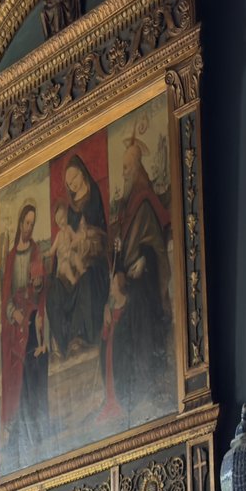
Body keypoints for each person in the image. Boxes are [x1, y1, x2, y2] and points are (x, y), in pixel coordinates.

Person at [104, 129, 175, 425]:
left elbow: (155, 243)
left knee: (135, 318)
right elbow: (120, 249)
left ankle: (142, 382)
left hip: (145, 283)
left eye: (127, 168)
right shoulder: (125, 205)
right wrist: (118, 257)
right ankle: (124, 392)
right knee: (114, 331)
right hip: (129, 281)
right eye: (122, 168)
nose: (123, 173)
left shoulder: (144, 201)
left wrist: (144, 258)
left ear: (137, 169)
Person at [0, 199, 49, 468]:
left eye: (32, 223)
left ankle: (34, 424)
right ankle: (17, 428)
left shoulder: (36, 250)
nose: (29, 227)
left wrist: (38, 286)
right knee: (16, 375)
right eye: (26, 223)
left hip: (30, 315)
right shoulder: (10, 258)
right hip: (15, 320)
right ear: (20, 223)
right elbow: (6, 294)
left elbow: (39, 287)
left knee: (31, 367)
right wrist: (12, 313)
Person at [47, 156, 110, 361]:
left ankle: (81, 337)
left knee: (86, 279)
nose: (72, 184)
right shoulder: (71, 212)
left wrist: (85, 240)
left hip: (94, 264)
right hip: (73, 264)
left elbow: (102, 239)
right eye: (68, 183)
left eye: (74, 178)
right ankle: (61, 346)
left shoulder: (93, 199)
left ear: (82, 173)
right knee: (54, 291)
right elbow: (64, 243)